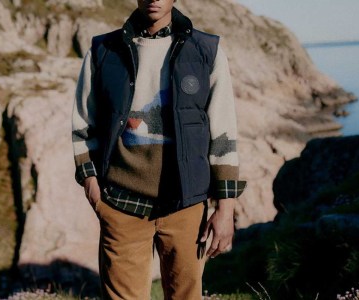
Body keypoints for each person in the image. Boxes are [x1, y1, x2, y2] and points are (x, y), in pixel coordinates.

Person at [72, 0, 246, 298]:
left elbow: (223, 131)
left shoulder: (206, 50)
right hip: (120, 204)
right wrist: (90, 182)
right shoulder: (103, 50)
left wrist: (225, 207)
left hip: (186, 205)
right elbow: (83, 121)